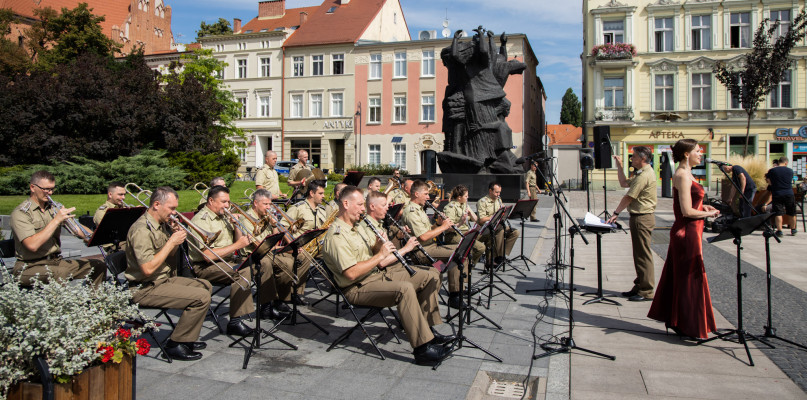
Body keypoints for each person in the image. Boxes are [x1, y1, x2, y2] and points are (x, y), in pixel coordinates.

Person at [320, 186, 452, 365]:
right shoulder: (336, 235)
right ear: (345, 204)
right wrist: (380, 255)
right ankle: (423, 350)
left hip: (374, 276)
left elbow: (369, 255)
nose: (362, 208)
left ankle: (427, 330)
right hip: (357, 287)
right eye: (359, 204)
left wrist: (378, 245)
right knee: (404, 289)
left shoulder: (355, 227)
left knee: (431, 276)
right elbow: (351, 273)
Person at [124, 186, 212, 361]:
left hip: (162, 280)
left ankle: (187, 337)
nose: (174, 213)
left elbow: (167, 256)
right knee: (201, 298)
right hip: (144, 287)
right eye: (171, 208)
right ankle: (175, 344)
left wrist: (175, 238)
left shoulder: (160, 225)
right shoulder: (142, 230)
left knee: (205, 285)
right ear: (157, 204)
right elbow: (148, 268)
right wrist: (171, 242)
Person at [648, 139, 720, 339]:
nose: (701, 154)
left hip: (692, 231)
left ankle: (679, 320)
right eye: (698, 151)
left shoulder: (687, 174)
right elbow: (687, 211)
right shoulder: (682, 175)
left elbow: (690, 205)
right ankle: (688, 324)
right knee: (690, 279)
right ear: (686, 154)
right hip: (687, 232)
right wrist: (709, 214)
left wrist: (703, 207)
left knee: (684, 278)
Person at [189, 186, 268, 337]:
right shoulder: (202, 220)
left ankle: (268, 305)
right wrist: (238, 245)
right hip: (206, 266)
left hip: (227, 261)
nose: (227, 206)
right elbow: (207, 256)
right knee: (243, 272)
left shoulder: (223, 216)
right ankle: (235, 322)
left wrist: (237, 226)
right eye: (224, 202)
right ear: (211, 201)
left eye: (228, 202)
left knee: (263, 263)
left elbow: (238, 242)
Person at [10, 170, 107, 287]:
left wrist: (92, 236)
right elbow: (32, 245)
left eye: (52, 189)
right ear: (32, 187)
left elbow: (77, 228)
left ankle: (95, 301)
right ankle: (61, 305)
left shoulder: (53, 207)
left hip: (55, 262)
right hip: (29, 266)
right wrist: (56, 220)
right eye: (45, 189)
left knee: (98, 264)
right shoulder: (21, 213)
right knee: (60, 273)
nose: (50, 193)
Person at [401, 180, 466, 309]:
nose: (428, 197)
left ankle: (455, 289)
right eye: (425, 194)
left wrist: (438, 224)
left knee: (461, 250)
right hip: (421, 251)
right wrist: (444, 227)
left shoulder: (420, 209)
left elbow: (428, 230)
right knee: (457, 254)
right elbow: (423, 237)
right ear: (416, 194)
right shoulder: (411, 211)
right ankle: (454, 296)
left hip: (430, 247)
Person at [236, 189, 298, 316]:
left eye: (270, 204)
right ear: (255, 203)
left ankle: (280, 299)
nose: (269, 207)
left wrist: (275, 225)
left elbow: (275, 241)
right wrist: (274, 248)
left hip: (267, 251)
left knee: (288, 261)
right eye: (265, 204)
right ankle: (266, 305)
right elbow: (255, 244)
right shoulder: (246, 219)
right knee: (266, 264)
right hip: (252, 255)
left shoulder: (266, 217)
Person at [607, 146, 657, 302]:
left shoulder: (644, 176)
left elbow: (629, 196)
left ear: (642, 159)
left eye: (633, 156)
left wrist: (616, 213)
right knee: (638, 254)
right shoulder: (641, 173)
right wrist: (620, 166)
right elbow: (623, 183)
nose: (631, 159)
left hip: (642, 217)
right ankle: (640, 285)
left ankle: (646, 290)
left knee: (643, 255)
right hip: (638, 217)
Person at [476, 182, 520, 264]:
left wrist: (504, 212)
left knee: (515, 232)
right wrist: (495, 216)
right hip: (486, 228)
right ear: (490, 191)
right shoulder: (482, 202)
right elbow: (481, 220)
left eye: (499, 192)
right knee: (501, 231)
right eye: (496, 192)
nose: (498, 194)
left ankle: (502, 254)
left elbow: (502, 213)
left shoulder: (498, 200)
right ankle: (499, 257)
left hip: (497, 225)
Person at [442, 185, 485, 266]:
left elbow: (476, 219)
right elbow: (448, 228)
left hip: (466, 232)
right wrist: (461, 222)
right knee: (480, 248)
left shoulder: (464, 204)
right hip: (454, 235)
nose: (467, 197)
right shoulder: (450, 207)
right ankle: (468, 266)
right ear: (459, 197)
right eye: (466, 196)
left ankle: (470, 263)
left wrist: (470, 212)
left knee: (488, 235)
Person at [765, 157, 797, 236]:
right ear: (786, 163)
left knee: (778, 213)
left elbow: (769, 181)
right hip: (789, 193)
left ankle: (779, 231)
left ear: (779, 162)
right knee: (791, 212)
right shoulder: (790, 171)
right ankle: (793, 229)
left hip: (777, 193)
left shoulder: (772, 170)